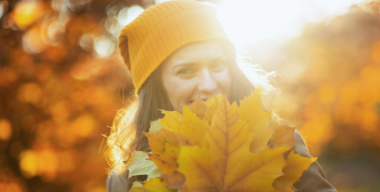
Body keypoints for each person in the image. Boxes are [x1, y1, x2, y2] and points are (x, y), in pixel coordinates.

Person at [105, 0, 336, 191]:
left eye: (217, 65)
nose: (209, 84)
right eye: (186, 71)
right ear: (155, 87)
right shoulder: (126, 179)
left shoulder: (278, 143)